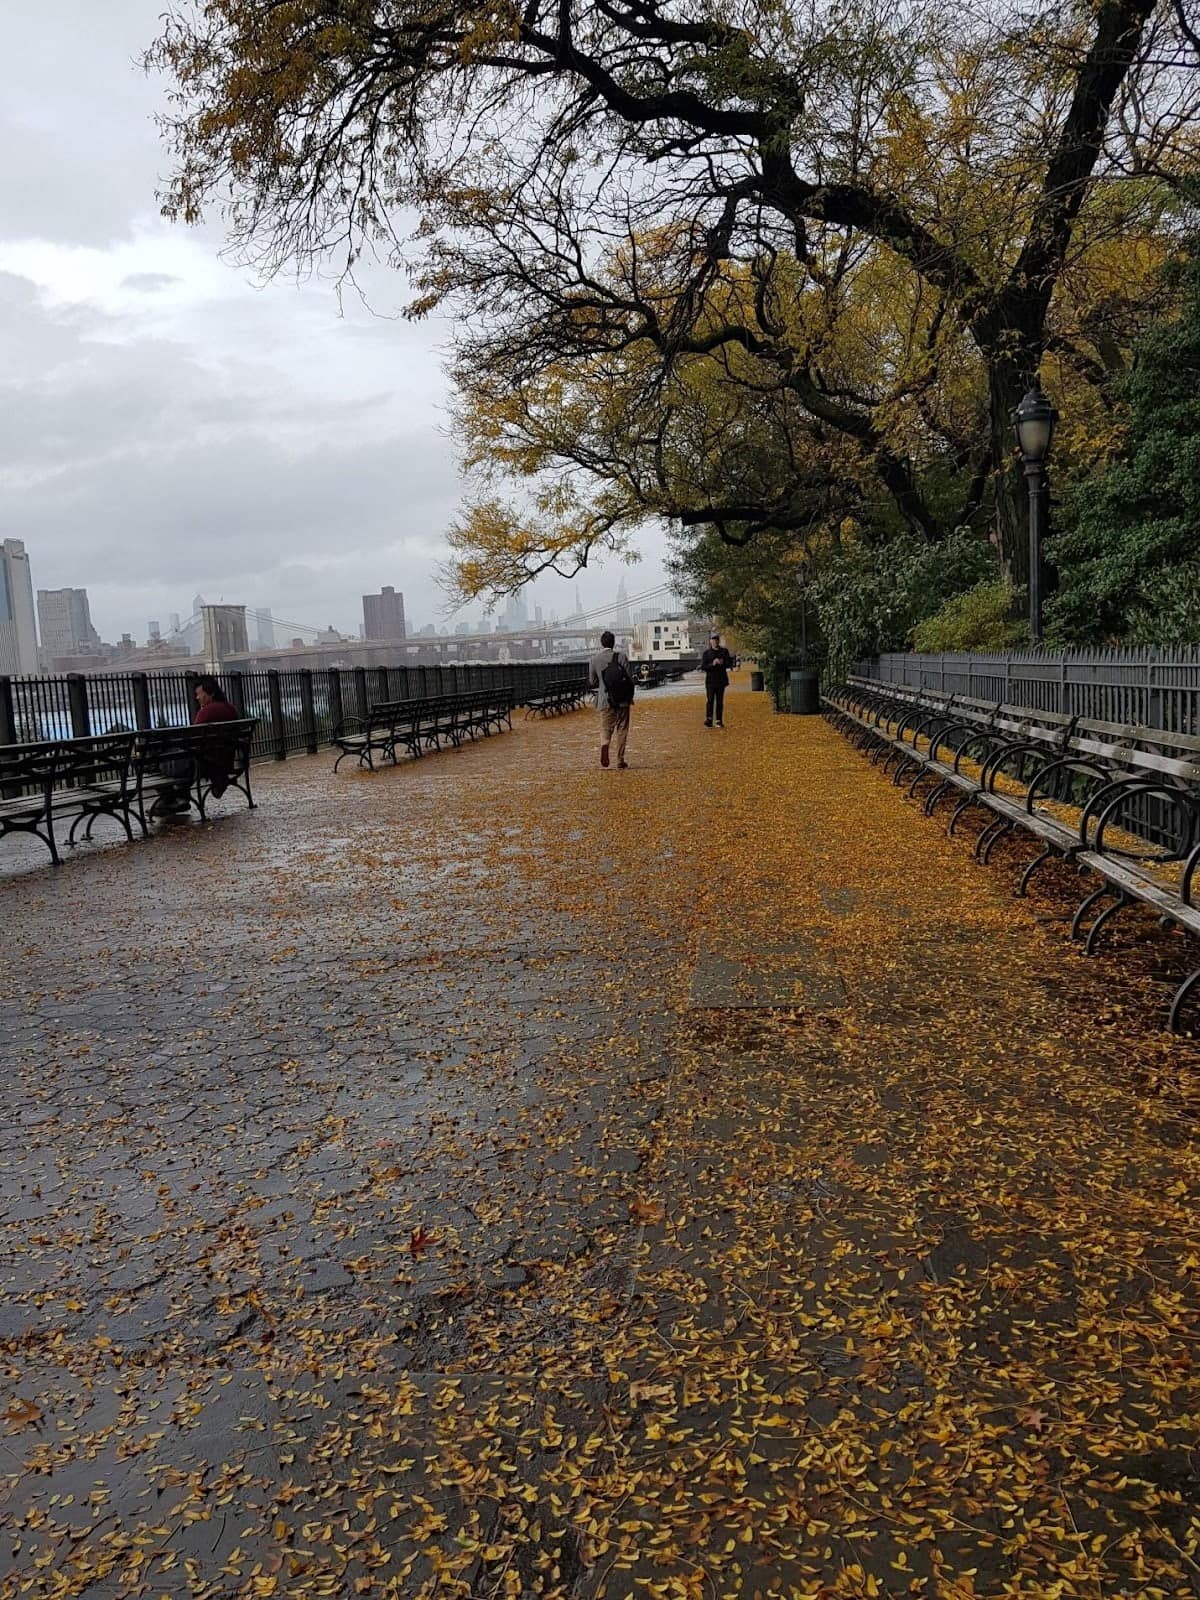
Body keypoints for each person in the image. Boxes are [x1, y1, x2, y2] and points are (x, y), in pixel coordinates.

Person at [154, 676, 239, 816]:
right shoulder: (231, 709)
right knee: (176, 759)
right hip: (223, 761)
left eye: (200, 694)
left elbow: (192, 738)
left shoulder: (206, 712)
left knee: (157, 762)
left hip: (205, 764)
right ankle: (179, 798)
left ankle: (170, 800)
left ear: (211, 694)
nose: (197, 698)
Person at [588, 629, 633, 770]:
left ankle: (605, 745)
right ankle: (620, 759)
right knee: (622, 728)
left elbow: (592, 681)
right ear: (613, 643)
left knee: (606, 728)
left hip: (605, 699)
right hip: (622, 699)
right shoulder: (622, 657)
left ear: (602, 643)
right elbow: (630, 679)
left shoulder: (594, 659)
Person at [701, 632, 735, 727]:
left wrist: (722, 662)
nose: (715, 642)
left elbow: (729, 664)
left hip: (721, 680)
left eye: (716, 640)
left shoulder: (724, 651)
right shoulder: (706, 653)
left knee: (719, 701)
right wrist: (713, 664)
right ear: (710, 641)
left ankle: (719, 720)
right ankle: (709, 719)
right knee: (710, 700)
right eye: (713, 640)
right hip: (710, 681)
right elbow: (703, 667)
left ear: (718, 641)